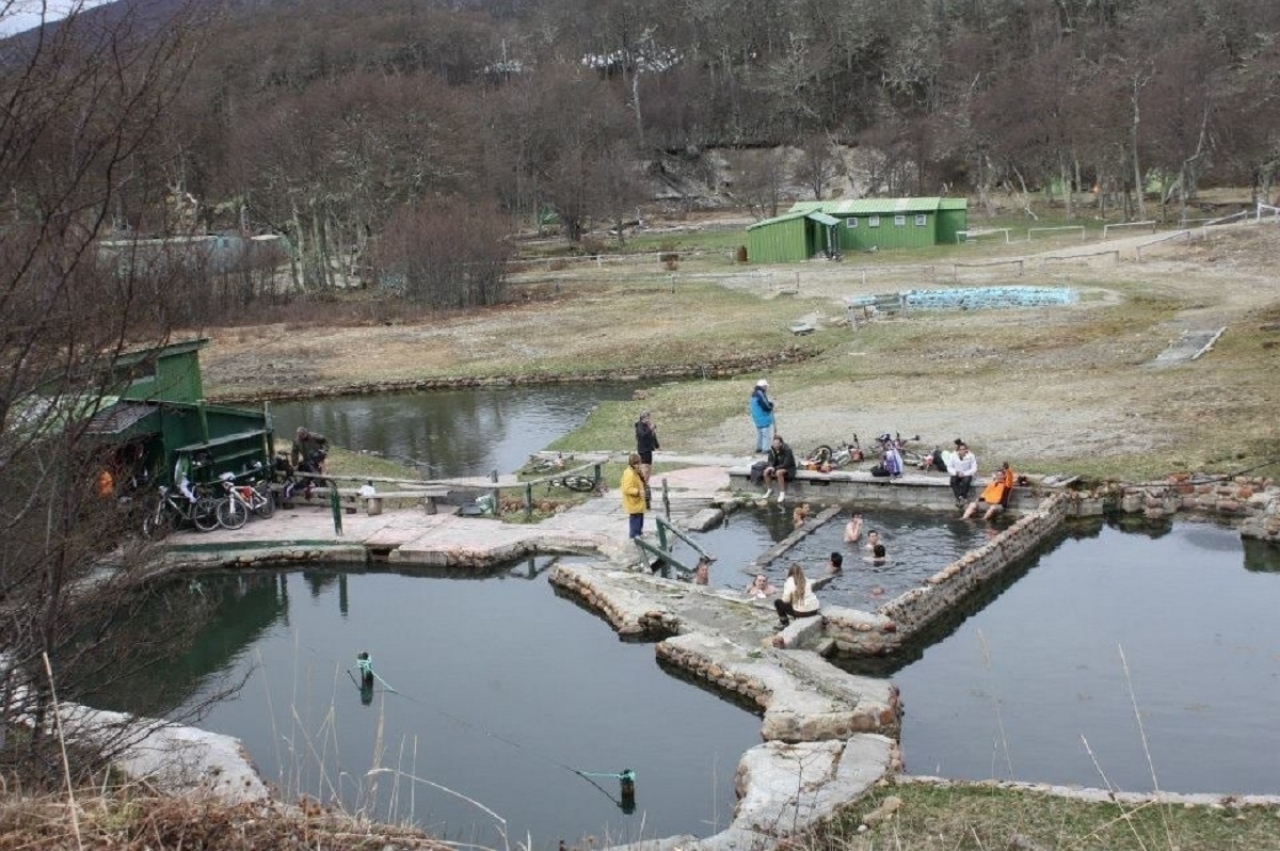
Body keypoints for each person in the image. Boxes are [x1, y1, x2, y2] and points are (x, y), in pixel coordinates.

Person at [774, 563, 821, 628]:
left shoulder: (789, 581)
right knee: (799, 601)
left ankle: (784, 623)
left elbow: (785, 600)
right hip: (814, 610)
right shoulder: (806, 579)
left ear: (790, 571)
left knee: (777, 602)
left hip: (801, 613)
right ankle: (796, 616)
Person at [761, 434, 797, 503]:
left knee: (778, 472)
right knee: (766, 471)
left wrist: (774, 468)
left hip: (789, 468)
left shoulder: (787, 450)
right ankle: (769, 489)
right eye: (774, 444)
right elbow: (770, 460)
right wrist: (770, 466)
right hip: (777, 466)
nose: (776, 445)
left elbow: (786, 464)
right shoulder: (772, 449)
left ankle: (782, 493)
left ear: (781, 443)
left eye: (778, 443)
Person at [620, 452, 646, 539]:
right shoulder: (629, 474)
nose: (639, 465)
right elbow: (627, 489)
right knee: (635, 520)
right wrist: (638, 492)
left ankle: (639, 534)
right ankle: (634, 537)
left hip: (638, 502)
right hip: (633, 502)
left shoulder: (635, 471)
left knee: (640, 519)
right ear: (632, 464)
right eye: (636, 464)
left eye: (639, 463)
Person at [748, 379, 775, 454]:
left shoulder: (754, 394)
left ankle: (759, 447)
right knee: (765, 433)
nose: (767, 388)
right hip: (763, 416)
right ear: (763, 386)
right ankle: (765, 449)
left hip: (756, 417)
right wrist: (770, 407)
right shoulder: (760, 394)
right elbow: (765, 405)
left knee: (759, 433)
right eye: (766, 386)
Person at [634, 411, 660, 483]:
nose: (648, 419)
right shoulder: (640, 425)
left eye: (649, 417)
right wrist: (650, 429)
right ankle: (642, 483)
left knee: (649, 467)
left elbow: (652, 436)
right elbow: (642, 435)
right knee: (645, 467)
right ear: (642, 418)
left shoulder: (648, 425)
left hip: (648, 449)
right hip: (643, 449)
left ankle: (646, 483)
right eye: (646, 417)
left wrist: (657, 446)